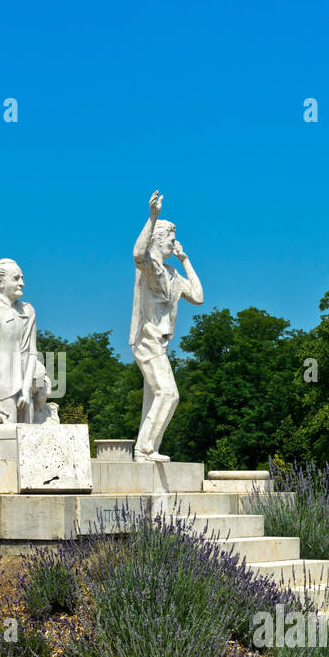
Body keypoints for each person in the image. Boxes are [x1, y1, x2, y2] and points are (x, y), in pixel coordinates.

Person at [130, 190, 203, 462]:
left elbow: (197, 296)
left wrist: (185, 260)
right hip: (147, 340)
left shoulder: (173, 274)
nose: (174, 241)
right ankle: (144, 448)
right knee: (168, 393)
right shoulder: (148, 268)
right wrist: (153, 217)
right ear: (158, 240)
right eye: (171, 238)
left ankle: (149, 450)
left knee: (154, 400)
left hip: (162, 344)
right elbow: (138, 253)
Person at [0, 258, 50, 425]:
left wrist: (26, 389)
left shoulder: (28, 310)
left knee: (29, 440)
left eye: (22, 278)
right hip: (3, 389)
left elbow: (32, 352)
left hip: (26, 386)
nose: (22, 283)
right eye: (16, 278)